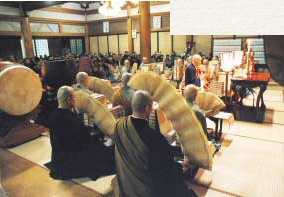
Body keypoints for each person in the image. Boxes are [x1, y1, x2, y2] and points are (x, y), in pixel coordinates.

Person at [114, 90, 197, 197]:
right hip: (146, 190)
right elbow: (167, 171)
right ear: (148, 108)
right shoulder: (155, 138)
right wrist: (180, 166)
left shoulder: (119, 125)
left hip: (126, 185)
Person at [47, 86, 115, 180]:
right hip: (73, 161)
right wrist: (99, 138)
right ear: (69, 100)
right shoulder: (71, 119)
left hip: (59, 161)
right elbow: (86, 143)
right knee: (110, 153)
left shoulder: (53, 116)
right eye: (74, 97)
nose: (75, 100)